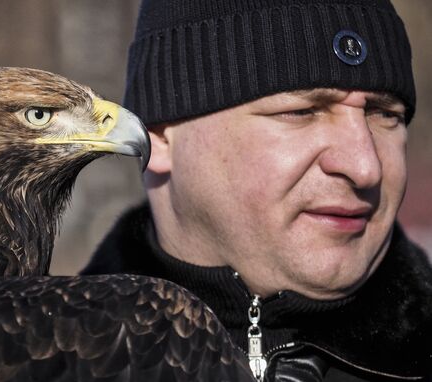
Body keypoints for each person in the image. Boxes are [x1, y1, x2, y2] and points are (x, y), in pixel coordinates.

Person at [82, 0, 432, 380]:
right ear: (160, 139)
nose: (365, 167)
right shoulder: (37, 359)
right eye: (302, 111)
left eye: (385, 114)